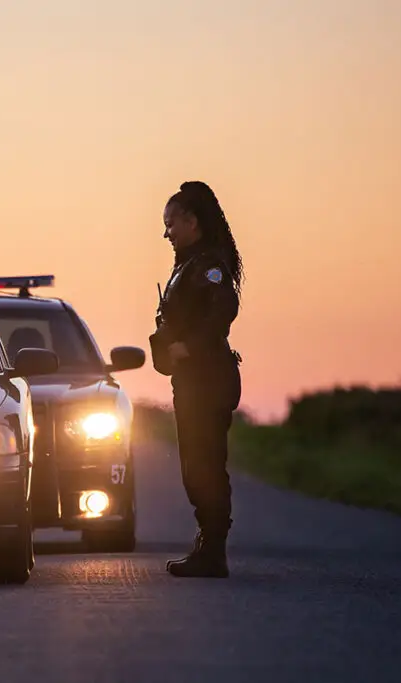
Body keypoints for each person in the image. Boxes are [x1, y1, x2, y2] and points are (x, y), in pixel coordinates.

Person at [149, 180, 244, 578]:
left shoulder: (209, 265)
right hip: (191, 382)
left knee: (205, 465)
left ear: (192, 221)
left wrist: (189, 346)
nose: (166, 232)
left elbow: (224, 308)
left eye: (170, 222)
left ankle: (213, 551)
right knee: (195, 466)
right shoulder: (188, 264)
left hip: (208, 380)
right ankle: (208, 545)